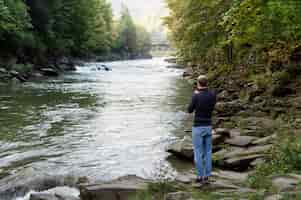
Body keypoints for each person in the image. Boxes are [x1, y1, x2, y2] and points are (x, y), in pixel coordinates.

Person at [187, 75, 217, 184]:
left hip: (198, 127)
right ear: (207, 83)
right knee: (208, 152)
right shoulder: (212, 95)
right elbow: (212, 105)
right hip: (208, 126)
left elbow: (189, 110)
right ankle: (207, 176)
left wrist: (195, 94)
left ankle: (200, 176)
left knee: (198, 152)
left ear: (198, 83)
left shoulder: (196, 95)